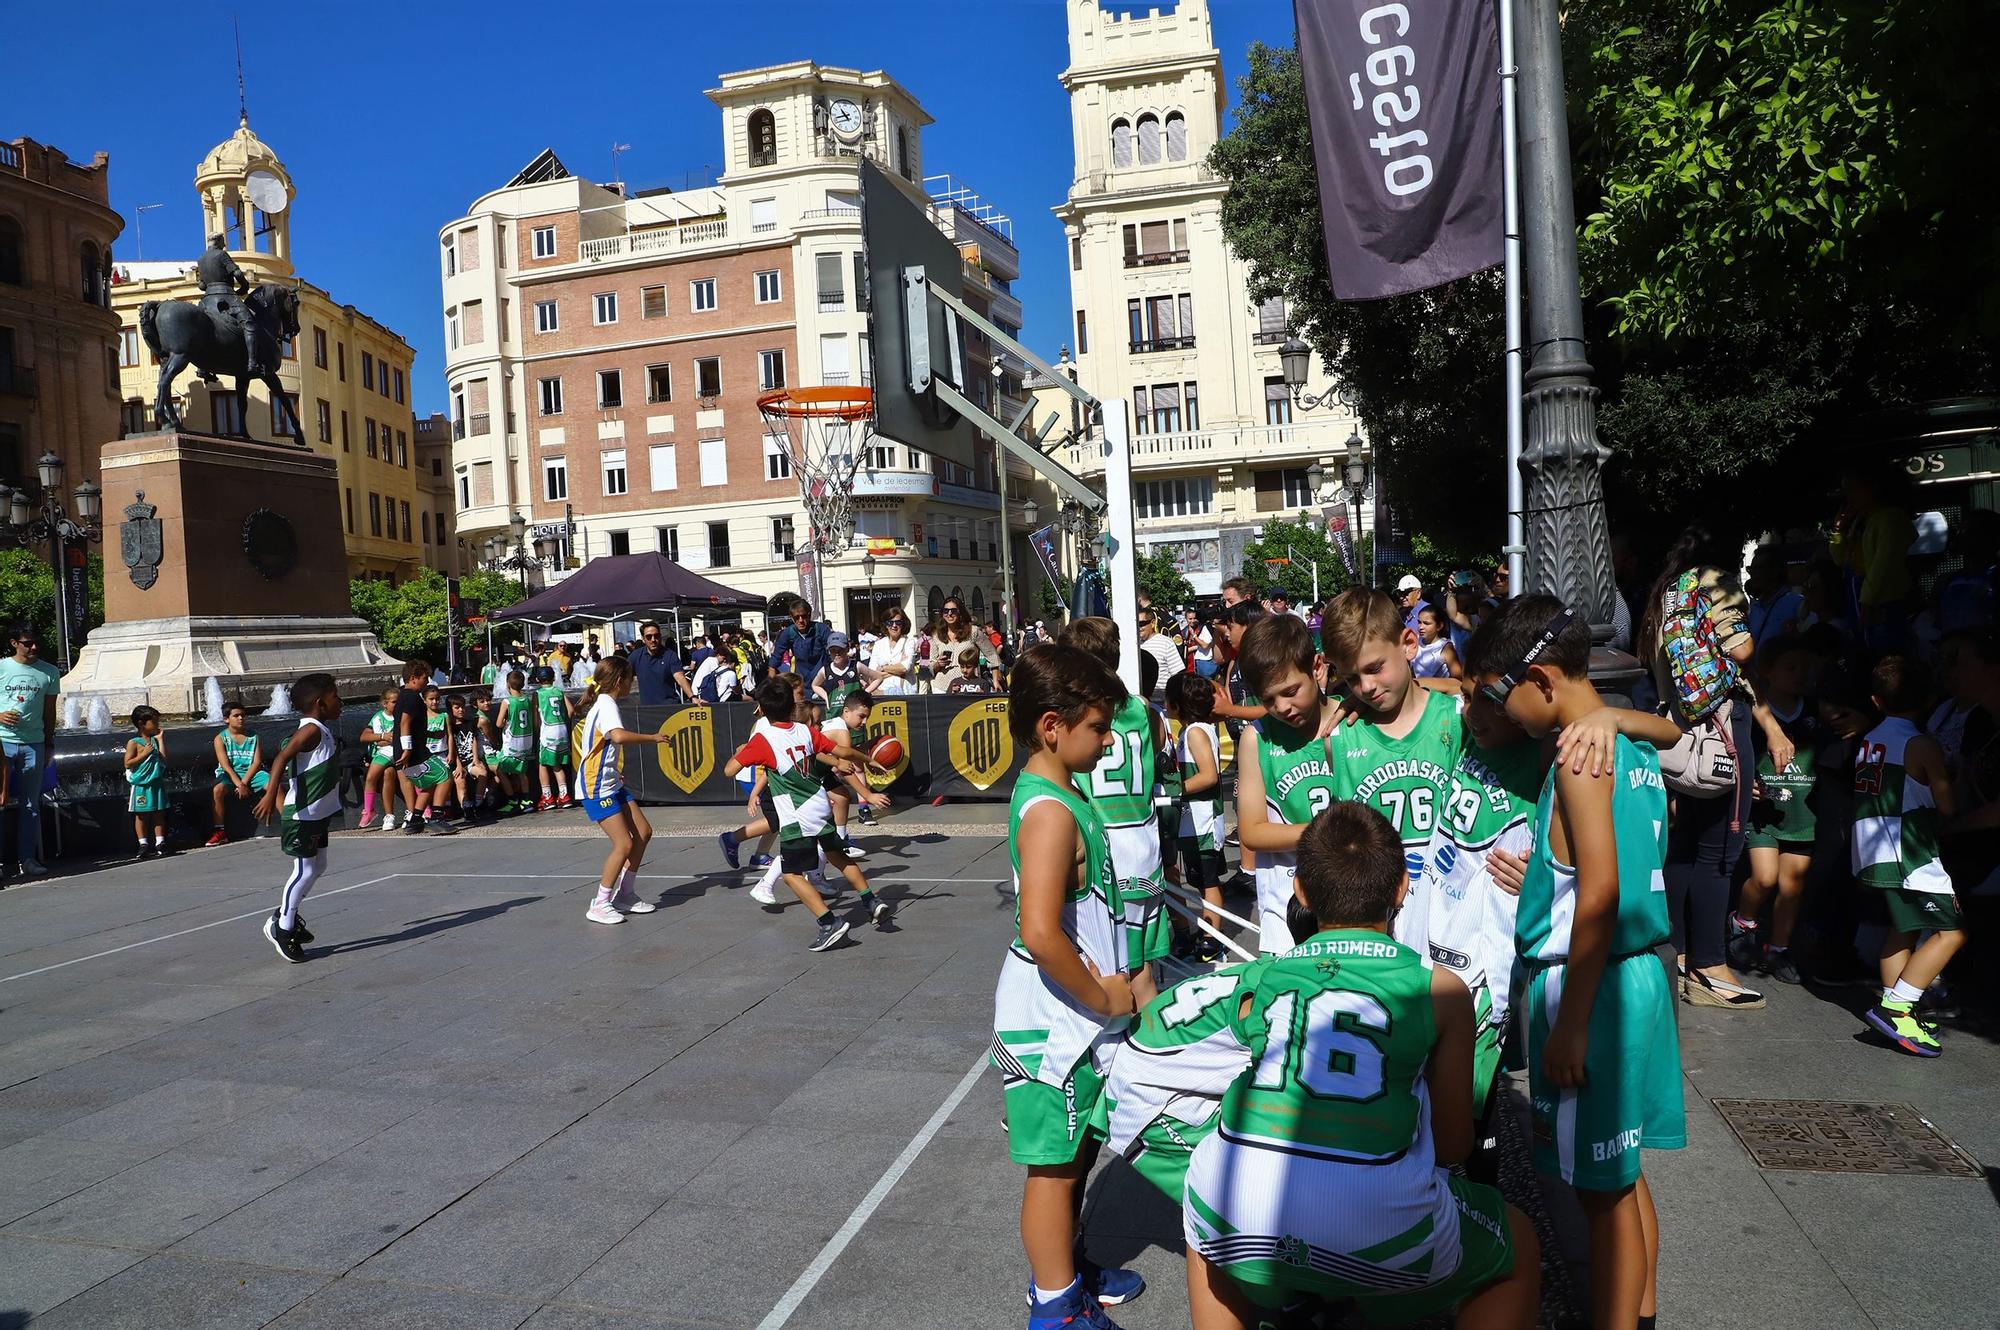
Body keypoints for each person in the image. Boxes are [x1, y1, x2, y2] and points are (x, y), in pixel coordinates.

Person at [1181, 803, 1540, 1330]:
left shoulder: (1261, 977)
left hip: (1235, 1206)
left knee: (1203, 1226)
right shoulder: (1441, 990)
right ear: (1401, 889)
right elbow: (1452, 1146)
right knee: (1522, 1246)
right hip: (1384, 1223)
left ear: (1299, 890)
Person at [1466, 595, 1682, 1330]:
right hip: (1635, 973)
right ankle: (1640, 1311)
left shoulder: (1578, 756)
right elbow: (1668, 731)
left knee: (1601, 1192)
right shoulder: (1627, 743)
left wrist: (1568, 1026)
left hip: (1592, 982)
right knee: (1620, 1177)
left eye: (1502, 694)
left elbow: (1598, 896)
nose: (1501, 714)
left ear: (1545, 679)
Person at [996, 643, 1143, 1330]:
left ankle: (1069, 1270)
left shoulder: (1063, 789)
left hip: (1072, 1014)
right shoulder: (1051, 811)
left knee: (1076, 1153)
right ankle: (1054, 1306)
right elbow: (1041, 932)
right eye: (1098, 726)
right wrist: (1104, 996)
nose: (1109, 738)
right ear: (1052, 726)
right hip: (1055, 1022)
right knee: (1053, 1168)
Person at [1639, 526, 1784, 1009]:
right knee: (1720, 854)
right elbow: (1741, 652)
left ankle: (1676, 955)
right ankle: (1711, 966)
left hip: (1680, 733)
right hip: (1722, 728)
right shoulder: (1715, 583)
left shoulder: (1665, 596)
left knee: (1681, 848)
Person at [723, 676, 891, 950]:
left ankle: (829, 923)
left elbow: (730, 770)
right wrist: (870, 759)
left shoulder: (764, 740)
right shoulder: (805, 731)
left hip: (797, 814)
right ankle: (871, 900)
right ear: (792, 705)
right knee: (838, 856)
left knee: (790, 875)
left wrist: (743, 751)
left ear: (762, 710)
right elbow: (843, 751)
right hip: (820, 805)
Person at [1853, 655, 1965, 1057]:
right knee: (1950, 932)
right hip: (1909, 850)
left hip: (1870, 845)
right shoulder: (1921, 743)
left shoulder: (1870, 737)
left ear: (1876, 700)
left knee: (1901, 928)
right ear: (1930, 699)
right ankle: (1896, 1007)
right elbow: (1947, 804)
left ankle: (1897, 1006)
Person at [1322, 587, 1464, 889]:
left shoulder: (1459, 719)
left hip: (1451, 906)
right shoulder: (1340, 739)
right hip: (1379, 910)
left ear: (1409, 644)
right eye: (1352, 678)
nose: (1367, 686)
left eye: (1375, 668)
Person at [1061, 617, 1171, 1007]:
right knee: (1141, 972)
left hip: (1104, 852)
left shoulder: (1077, 718)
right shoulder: (1142, 709)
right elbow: (1160, 747)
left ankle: (1123, 1058)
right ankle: (1154, 1051)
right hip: (1144, 846)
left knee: (1104, 971)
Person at [1233, 614, 1344, 952]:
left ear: (1318, 667)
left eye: (1290, 691)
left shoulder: (1354, 723)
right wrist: (1330, 830)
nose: (1282, 707)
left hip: (1353, 902)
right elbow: (1251, 831)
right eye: (1268, 700)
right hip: (1285, 909)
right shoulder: (1257, 739)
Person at [1728, 636, 1821, 985]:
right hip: (1765, 811)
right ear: (1767, 672)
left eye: (1805, 668)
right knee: (1764, 878)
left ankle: (1779, 948)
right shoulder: (1755, 713)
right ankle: (1743, 923)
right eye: (1790, 667)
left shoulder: (1814, 710)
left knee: (1792, 887)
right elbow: (1737, 752)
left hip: (1801, 814)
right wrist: (1745, 780)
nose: (1800, 675)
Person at [253, 673, 344, 963]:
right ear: (320, 703)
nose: (340, 701)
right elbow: (281, 757)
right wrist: (270, 794)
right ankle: (283, 928)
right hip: (302, 814)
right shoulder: (311, 730)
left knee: (319, 866)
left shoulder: (320, 728)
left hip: (317, 813)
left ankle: (284, 916)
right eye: (335, 696)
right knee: (303, 870)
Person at [565, 656, 660, 925]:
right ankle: (601, 903)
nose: (633, 682)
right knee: (624, 843)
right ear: (621, 681)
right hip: (596, 786)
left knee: (643, 832)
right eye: (631, 677)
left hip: (609, 781)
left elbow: (598, 744)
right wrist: (652, 738)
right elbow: (617, 736)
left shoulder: (603, 703)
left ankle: (625, 894)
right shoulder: (606, 704)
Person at [1165, 671, 1226, 962]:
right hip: (1193, 820)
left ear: (1179, 702)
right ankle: (1205, 933)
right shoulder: (1188, 731)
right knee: (1201, 879)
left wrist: (1176, 790)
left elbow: (1209, 776)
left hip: (1203, 820)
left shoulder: (1196, 732)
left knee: (1208, 882)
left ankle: (1213, 938)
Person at [1830, 462, 1916, 655]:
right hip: (1859, 600)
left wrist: (1866, 603)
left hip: (1881, 604)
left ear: (1874, 489)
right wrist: (1838, 530)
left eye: (1853, 489)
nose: (1848, 496)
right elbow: (1840, 559)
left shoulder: (1890, 518)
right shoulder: (1861, 521)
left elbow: (1883, 566)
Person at [0, 624, 60, 880]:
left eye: (36, 642)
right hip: (1, 741)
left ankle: (27, 858)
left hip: (33, 743)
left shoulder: (49, 672)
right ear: (14, 643)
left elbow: (50, 712)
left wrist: (48, 744)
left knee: (30, 805)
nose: (33, 647)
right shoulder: (2, 667)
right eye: (27, 643)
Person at [393, 659, 457, 837]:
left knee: (429, 782)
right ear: (414, 678)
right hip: (413, 753)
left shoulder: (402, 695)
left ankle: (415, 820)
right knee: (444, 775)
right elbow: (405, 722)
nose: (427, 682)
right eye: (425, 678)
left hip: (408, 751)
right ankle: (436, 817)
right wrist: (407, 750)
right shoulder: (413, 697)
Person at [206, 704, 268, 846]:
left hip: (251, 774)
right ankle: (220, 832)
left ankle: (290, 824)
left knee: (274, 785)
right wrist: (239, 784)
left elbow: (257, 762)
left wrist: (244, 783)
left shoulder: (253, 736)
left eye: (243, 715)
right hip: (229, 775)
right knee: (218, 790)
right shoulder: (220, 738)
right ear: (226, 719)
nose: (241, 718)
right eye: (236, 715)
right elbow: (226, 766)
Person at [123, 706, 171, 858]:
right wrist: (144, 754)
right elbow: (128, 763)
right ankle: (143, 843)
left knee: (159, 812)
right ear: (142, 723)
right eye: (154, 721)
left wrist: (160, 740)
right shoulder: (134, 742)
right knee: (141, 815)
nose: (157, 724)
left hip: (156, 782)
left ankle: (160, 842)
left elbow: (164, 759)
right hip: (141, 785)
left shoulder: (154, 741)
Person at [488, 670, 537, 813]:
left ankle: (512, 800)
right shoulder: (527, 699)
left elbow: (498, 723)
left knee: (500, 769)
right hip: (525, 740)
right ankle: (526, 800)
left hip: (512, 742)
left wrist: (506, 722)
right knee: (522, 772)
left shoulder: (507, 702)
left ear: (507, 684)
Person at [357, 687, 403, 831]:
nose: (397, 705)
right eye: (394, 702)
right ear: (385, 703)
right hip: (384, 753)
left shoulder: (402, 716)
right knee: (381, 774)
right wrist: (384, 737)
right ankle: (377, 812)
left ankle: (422, 809)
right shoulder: (378, 718)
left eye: (398, 701)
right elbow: (378, 741)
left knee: (410, 774)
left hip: (399, 752)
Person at [1744, 545, 1804, 651]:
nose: (1753, 574)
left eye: (1759, 569)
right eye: (1751, 569)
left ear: (1776, 571)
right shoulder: (1753, 608)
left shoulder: (1797, 604)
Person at [445, 694, 492, 823]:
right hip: (457, 763)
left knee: (482, 773)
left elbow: (473, 741)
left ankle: (478, 803)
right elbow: (452, 747)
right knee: (460, 782)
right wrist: (459, 765)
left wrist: (476, 759)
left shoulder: (470, 722)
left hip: (471, 760)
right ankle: (466, 808)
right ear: (450, 709)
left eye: (462, 707)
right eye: (457, 707)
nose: (461, 710)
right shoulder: (450, 727)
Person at [536, 665, 574, 809]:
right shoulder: (559, 692)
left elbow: (535, 716)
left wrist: (537, 729)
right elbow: (571, 710)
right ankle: (564, 795)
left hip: (548, 732)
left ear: (538, 679)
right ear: (553, 678)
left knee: (543, 764)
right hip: (562, 730)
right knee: (557, 765)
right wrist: (564, 722)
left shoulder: (538, 694)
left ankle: (548, 797)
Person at [773, 601, 833, 689]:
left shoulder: (821, 629)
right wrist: (772, 684)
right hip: (802, 683)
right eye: (797, 617)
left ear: (809, 615)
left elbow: (832, 651)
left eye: (804, 616)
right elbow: (776, 657)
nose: (801, 620)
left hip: (823, 680)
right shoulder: (788, 633)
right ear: (791, 617)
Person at [630, 620, 689, 706]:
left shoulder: (670, 655)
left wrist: (692, 697)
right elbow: (624, 676)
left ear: (660, 637)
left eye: (656, 636)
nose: (653, 640)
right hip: (647, 709)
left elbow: (680, 677)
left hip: (669, 706)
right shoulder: (636, 656)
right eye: (649, 637)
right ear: (643, 639)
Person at [1135, 607, 1183, 697]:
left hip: (1162, 702)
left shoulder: (1166, 642)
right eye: (1135, 623)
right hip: (1140, 700)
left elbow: (1177, 674)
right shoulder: (1132, 644)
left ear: (1152, 623)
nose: (1139, 627)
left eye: (1142, 623)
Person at [868, 612, 917, 695]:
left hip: (905, 693)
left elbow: (904, 668)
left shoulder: (910, 642)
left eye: (898, 622)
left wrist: (882, 668)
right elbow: (871, 675)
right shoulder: (879, 644)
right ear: (886, 625)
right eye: (890, 623)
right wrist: (897, 668)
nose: (894, 626)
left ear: (903, 624)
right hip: (881, 693)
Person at [810, 631, 863, 708]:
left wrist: (864, 694)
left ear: (847, 649)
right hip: (833, 714)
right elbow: (814, 685)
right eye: (833, 650)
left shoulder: (856, 666)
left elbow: (878, 678)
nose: (837, 653)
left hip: (853, 713)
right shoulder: (825, 670)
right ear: (828, 651)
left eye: (840, 649)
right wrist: (826, 697)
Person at [1412, 604, 1461, 679]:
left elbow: (1457, 679)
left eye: (1426, 623)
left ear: (1439, 626)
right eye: (1419, 622)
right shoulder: (1416, 640)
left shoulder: (1445, 647)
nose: (1421, 627)